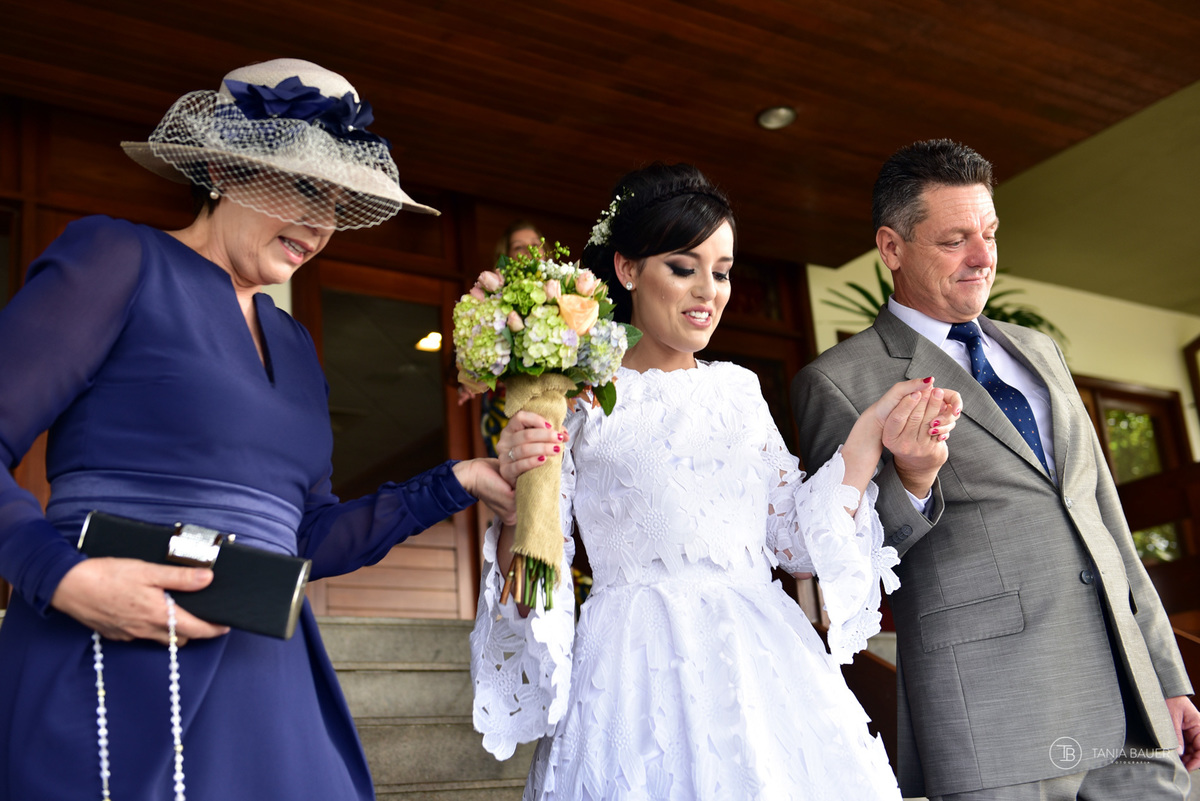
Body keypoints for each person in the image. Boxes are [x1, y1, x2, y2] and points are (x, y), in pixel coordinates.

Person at [0, 58, 540, 801]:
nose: (322, 227)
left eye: (340, 202)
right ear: (224, 166)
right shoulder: (118, 257)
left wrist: (456, 482)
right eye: (306, 188)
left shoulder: (295, 344)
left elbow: (308, 536)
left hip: (264, 673)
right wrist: (58, 577)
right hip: (108, 653)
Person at [469, 162, 962, 799]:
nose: (709, 291)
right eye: (683, 267)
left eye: (723, 271)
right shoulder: (580, 400)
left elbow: (794, 541)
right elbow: (538, 559)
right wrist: (518, 499)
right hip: (631, 665)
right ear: (627, 269)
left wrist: (870, 436)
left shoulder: (739, 390)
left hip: (760, 660)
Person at [792, 139, 1199, 800]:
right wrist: (917, 478)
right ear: (892, 247)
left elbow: (1105, 518)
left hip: (1130, 701)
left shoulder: (1038, 348)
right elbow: (846, 563)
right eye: (954, 240)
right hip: (993, 715)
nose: (983, 257)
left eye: (989, 233)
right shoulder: (840, 381)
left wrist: (1167, 675)